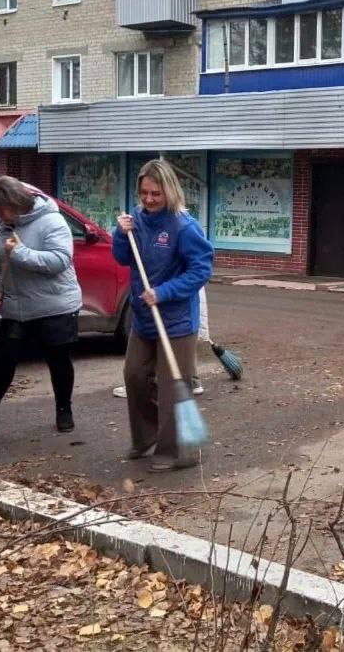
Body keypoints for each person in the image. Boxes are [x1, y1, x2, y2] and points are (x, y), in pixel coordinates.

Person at [0, 176, 83, 437]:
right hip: (16, 308)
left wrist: (20, 253)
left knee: (58, 361)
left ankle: (64, 410)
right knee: (2, 363)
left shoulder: (52, 221)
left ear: (15, 203)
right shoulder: (6, 227)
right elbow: (0, 266)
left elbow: (59, 261)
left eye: (0, 208)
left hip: (55, 306)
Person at [112, 160, 213, 472]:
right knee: (133, 376)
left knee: (171, 387)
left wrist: (165, 292)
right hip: (144, 319)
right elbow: (122, 257)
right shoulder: (137, 222)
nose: (149, 199)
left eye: (156, 193)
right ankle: (146, 436)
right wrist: (119, 234)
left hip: (177, 321)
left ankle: (177, 452)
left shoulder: (184, 227)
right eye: (144, 192)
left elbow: (201, 270)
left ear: (169, 191)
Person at [112, 286, 208, 399]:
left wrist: (161, 292)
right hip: (171, 310)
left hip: (176, 312)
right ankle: (192, 382)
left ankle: (184, 383)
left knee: (173, 346)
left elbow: (199, 273)